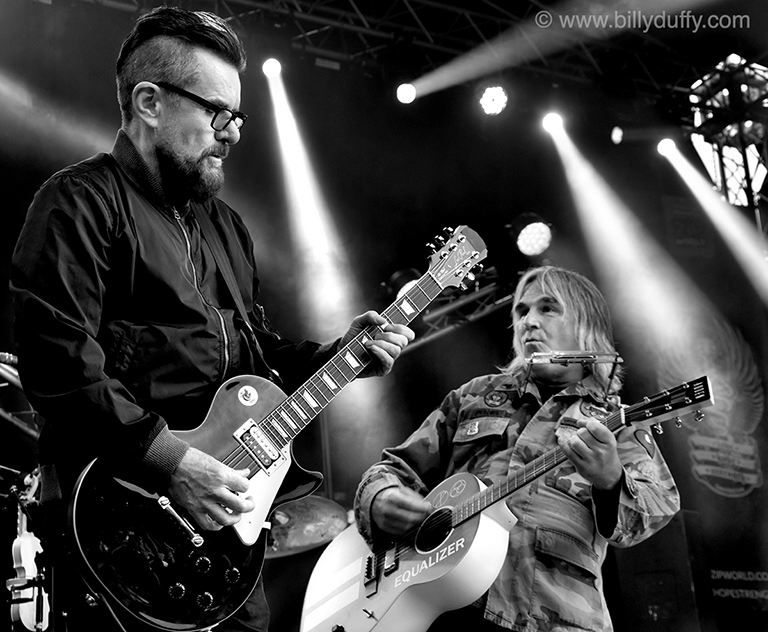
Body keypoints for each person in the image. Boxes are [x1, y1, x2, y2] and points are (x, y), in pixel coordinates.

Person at [10, 6, 413, 632]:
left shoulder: (225, 227)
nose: (233, 133)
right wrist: (173, 462)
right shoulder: (79, 202)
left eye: (238, 117)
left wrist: (343, 354)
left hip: (221, 552)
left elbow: (256, 357)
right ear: (149, 102)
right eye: (217, 113)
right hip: (117, 540)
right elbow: (57, 360)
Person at [353, 265, 680, 632]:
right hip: (447, 605)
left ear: (587, 326)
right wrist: (381, 498)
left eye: (548, 308)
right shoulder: (474, 394)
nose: (529, 322)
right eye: (521, 311)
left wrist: (610, 481)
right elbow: (395, 468)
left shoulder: (617, 420)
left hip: (554, 618)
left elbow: (657, 507)